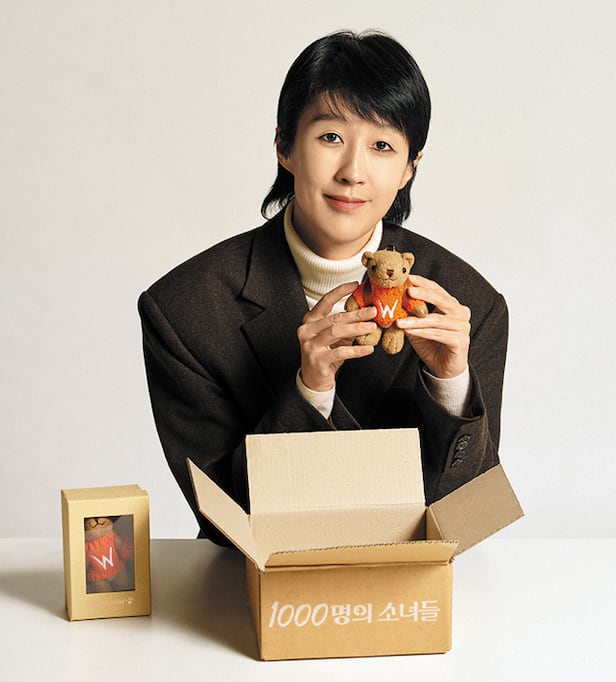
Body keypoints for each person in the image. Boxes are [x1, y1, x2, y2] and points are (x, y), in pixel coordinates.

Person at [138, 30, 508, 544]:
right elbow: (225, 520)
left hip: (411, 585)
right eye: (331, 137)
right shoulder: (186, 310)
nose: (353, 172)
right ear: (284, 146)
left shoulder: (468, 304)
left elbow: (464, 519)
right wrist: (309, 392)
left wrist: (450, 385)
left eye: (382, 146)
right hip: (252, 586)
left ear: (409, 169)